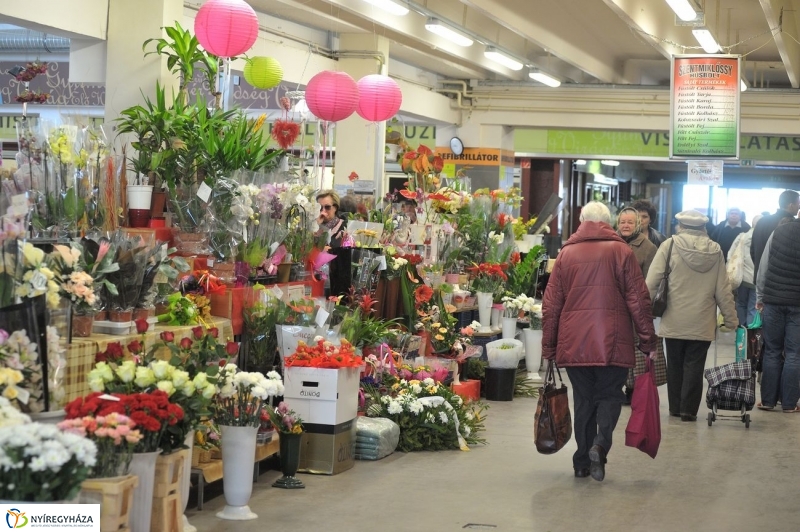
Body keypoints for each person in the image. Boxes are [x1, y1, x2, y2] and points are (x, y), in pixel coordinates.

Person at [542, 201, 656, 482]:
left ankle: (581, 461)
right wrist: (647, 341)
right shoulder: (622, 251)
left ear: (581, 220)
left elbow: (551, 305)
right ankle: (600, 445)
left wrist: (549, 346)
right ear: (610, 222)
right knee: (609, 396)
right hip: (613, 341)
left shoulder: (566, 254)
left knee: (584, 401)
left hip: (574, 341)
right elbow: (638, 301)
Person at [645, 210, 738, 422]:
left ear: (681, 226)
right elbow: (723, 289)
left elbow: (652, 281)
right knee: (695, 366)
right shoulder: (715, 250)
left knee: (675, 364)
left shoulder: (669, 245)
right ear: (703, 228)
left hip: (674, 317)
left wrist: (641, 309)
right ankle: (688, 411)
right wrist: (731, 319)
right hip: (702, 320)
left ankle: (675, 408)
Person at [755, 218, 800, 413]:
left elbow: (764, 266)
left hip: (773, 300)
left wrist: (760, 296)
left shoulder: (779, 231)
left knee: (772, 350)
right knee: (794, 354)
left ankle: (767, 401)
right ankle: (789, 404)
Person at [616, 207, 658, 405]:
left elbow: (650, 281)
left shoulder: (648, 248)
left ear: (638, 225)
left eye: (630, 222)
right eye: (622, 222)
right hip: (613, 305)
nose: (625, 225)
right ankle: (617, 386)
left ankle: (633, 388)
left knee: (635, 349)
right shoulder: (611, 243)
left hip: (634, 307)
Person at [751, 189, 799, 281]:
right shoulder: (792, 225)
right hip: (780, 281)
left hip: (760, 278)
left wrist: (760, 267)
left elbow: (753, 249)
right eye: (798, 203)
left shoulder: (762, 221)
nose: (799, 206)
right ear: (791, 205)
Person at [314, 190, 351, 298]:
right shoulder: (315, 227)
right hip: (318, 279)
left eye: (327, 207)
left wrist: (330, 250)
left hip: (338, 280)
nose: (323, 211)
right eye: (320, 208)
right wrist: (316, 227)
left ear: (335, 208)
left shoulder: (345, 227)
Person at [727, 214, 762, 327]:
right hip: (757, 279)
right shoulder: (764, 238)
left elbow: (730, 256)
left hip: (742, 278)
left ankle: (742, 330)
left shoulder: (742, 236)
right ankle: (750, 335)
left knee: (741, 304)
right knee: (753, 307)